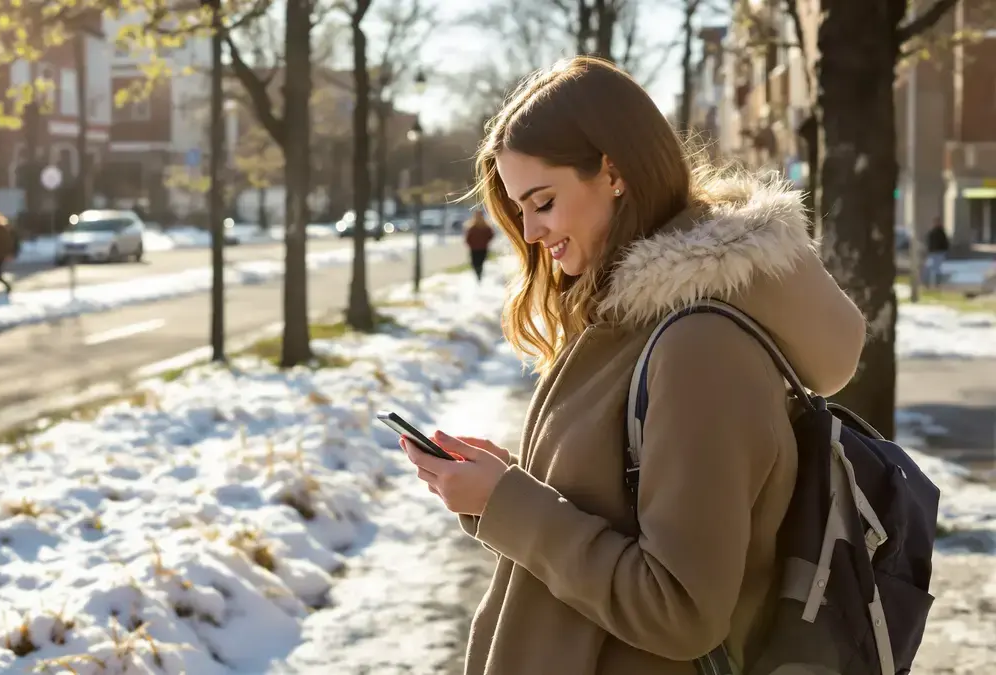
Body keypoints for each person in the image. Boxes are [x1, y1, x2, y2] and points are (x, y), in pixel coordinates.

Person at [398, 56, 866, 674]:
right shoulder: (631, 320)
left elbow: (679, 610)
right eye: (518, 210)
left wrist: (510, 503)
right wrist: (501, 489)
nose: (532, 231)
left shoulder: (700, 350)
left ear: (613, 172)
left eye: (542, 201)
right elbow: (617, 512)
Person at [464, 210, 496, 281]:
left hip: (482, 248)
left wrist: (485, 242)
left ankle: (479, 275)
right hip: (474, 249)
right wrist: (470, 244)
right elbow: (467, 238)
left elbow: (491, 235)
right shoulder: (471, 227)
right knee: (474, 263)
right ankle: (478, 274)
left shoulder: (486, 227)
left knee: (480, 263)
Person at [925, 216, 949, 288]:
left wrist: (944, 250)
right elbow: (929, 242)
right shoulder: (932, 232)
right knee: (929, 267)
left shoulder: (941, 232)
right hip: (932, 252)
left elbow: (945, 242)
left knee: (937, 268)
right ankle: (928, 283)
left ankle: (937, 283)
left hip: (939, 252)